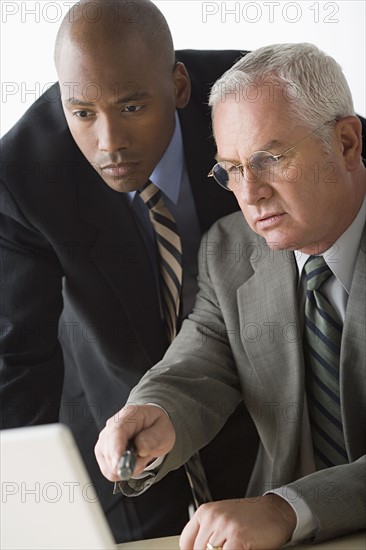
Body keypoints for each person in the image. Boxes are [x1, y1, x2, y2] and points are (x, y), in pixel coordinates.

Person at [0, 0, 260, 543]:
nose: (109, 143)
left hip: (263, 400)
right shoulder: (23, 175)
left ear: (181, 87)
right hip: (117, 425)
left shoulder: (251, 100)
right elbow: (17, 362)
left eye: (133, 106)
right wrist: (29, 507)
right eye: (83, 113)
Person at [95, 43, 366, 549]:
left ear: (347, 143)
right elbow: (200, 364)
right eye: (232, 169)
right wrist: (155, 413)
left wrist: (288, 508)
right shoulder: (230, 248)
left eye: (271, 159)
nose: (250, 193)